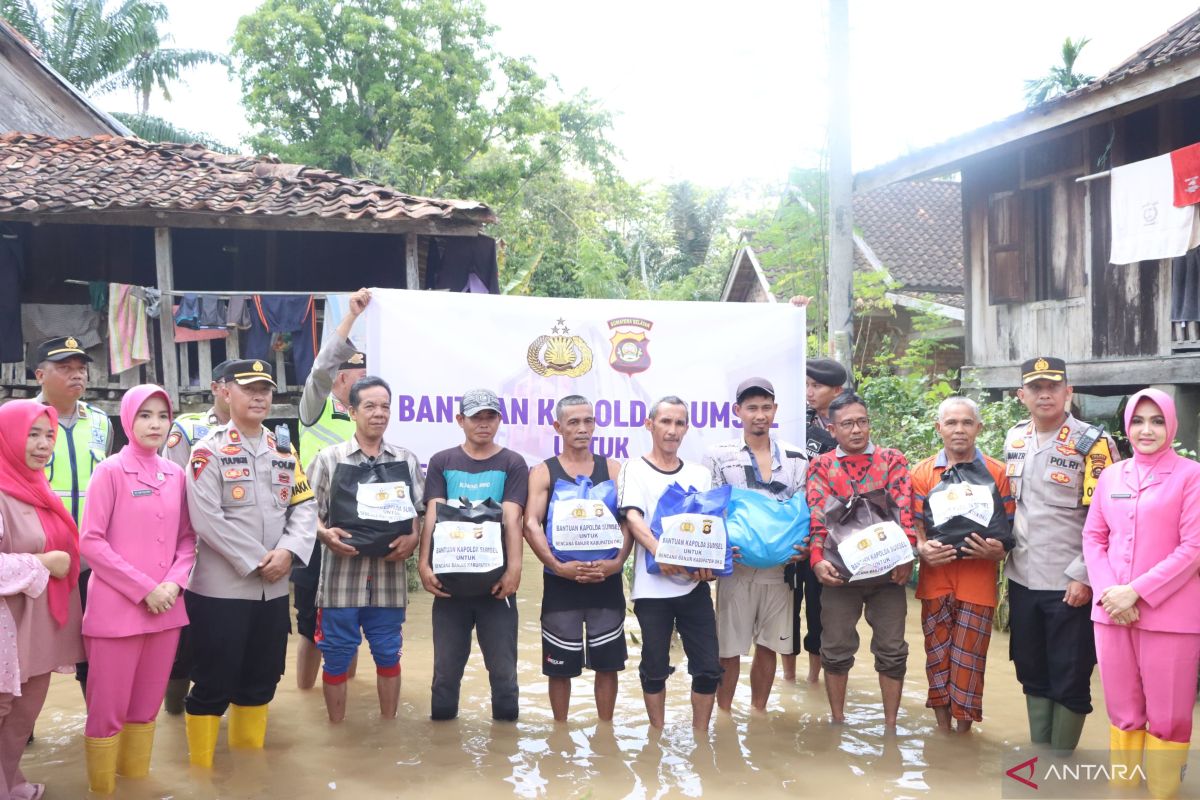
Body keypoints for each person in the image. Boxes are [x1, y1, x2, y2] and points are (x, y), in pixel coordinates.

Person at [182, 359, 316, 767]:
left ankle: (248, 774)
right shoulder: (208, 451)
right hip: (221, 592)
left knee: (261, 681)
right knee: (211, 684)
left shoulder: (283, 449)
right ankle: (202, 778)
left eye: (266, 389)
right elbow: (206, 520)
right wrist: (260, 559)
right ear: (225, 392)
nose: (260, 396)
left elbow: (305, 506)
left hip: (272, 591)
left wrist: (289, 552)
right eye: (250, 388)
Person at [1082, 388, 1200, 798]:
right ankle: (1125, 790)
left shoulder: (1191, 476)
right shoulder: (1112, 475)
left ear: (1172, 426)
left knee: (1168, 716)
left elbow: (1194, 547)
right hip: (1111, 613)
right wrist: (1109, 593)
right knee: (1123, 712)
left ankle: (1164, 792)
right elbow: (1094, 537)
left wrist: (1136, 592)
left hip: (1172, 618)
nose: (1146, 429)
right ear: (1126, 425)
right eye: (1138, 420)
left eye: (1157, 420)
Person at [78, 385, 196, 793]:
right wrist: (146, 589)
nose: (155, 424)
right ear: (128, 419)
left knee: (146, 709)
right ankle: (103, 789)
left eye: (163, 416)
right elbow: (90, 542)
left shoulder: (176, 474)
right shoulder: (109, 470)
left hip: (166, 612)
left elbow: (187, 540)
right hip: (117, 612)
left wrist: (174, 584)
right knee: (107, 710)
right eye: (145, 415)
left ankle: (135, 785)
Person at [1004, 356, 1117, 752]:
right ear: (1022, 396)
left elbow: (1107, 519)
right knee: (1031, 670)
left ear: (1069, 391)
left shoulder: (1094, 443)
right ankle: (1041, 756)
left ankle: (1063, 764)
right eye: (1035, 388)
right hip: (1022, 577)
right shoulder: (1014, 439)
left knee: (1070, 676)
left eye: (1053, 386)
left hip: (1069, 582)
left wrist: (1084, 575)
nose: (1045, 394)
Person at [308, 376, 425, 723]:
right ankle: (336, 730)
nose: (379, 414)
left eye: (385, 406)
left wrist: (414, 538)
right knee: (337, 656)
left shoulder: (405, 459)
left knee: (389, 654)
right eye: (370, 406)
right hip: (340, 581)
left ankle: (388, 728)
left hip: (389, 580)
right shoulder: (328, 459)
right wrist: (325, 534)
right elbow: (304, 514)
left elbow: (419, 512)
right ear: (352, 411)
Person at [808, 391, 915, 727]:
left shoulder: (892, 460)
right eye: (847, 424)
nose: (857, 430)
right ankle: (838, 721)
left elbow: (906, 511)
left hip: (888, 575)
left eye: (862, 422)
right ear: (831, 427)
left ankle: (890, 726)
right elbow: (816, 517)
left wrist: (906, 556)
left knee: (893, 650)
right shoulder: (821, 465)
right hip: (840, 575)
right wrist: (816, 560)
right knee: (836, 650)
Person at [418, 389, 526, 722]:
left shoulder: (512, 463)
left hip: (497, 588)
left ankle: (506, 748)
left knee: (504, 675)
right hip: (450, 587)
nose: (483, 424)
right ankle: (443, 744)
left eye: (490, 416)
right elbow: (433, 516)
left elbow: (512, 518)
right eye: (476, 417)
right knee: (445, 676)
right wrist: (424, 564)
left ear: (499, 420)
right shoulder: (442, 462)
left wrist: (515, 570)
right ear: (460, 420)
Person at [618, 396, 722, 732]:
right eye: (665, 422)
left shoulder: (700, 474)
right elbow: (633, 517)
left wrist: (711, 564)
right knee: (654, 667)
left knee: (707, 667)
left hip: (694, 587)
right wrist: (659, 551)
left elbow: (710, 525)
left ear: (686, 429)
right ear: (650, 425)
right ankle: (658, 735)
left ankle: (700, 736)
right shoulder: (633, 469)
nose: (672, 430)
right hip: (652, 591)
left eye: (679, 423)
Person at [911, 397, 1013, 733]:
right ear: (938, 428)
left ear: (978, 428)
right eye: (951, 423)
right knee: (937, 658)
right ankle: (943, 733)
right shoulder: (923, 473)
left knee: (970, 661)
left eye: (966, 423)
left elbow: (1009, 531)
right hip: (935, 579)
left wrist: (996, 551)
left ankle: (964, 734)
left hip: (978, 582)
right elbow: (914, 528)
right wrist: (922, 549)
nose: (959, 430)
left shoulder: (997, 473)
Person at [704, 378, 807, 713]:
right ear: (738, 412)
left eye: (766, 407)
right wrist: (716, 551)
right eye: (752, 408)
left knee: (769, 645)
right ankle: (724, 715)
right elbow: (713, 508)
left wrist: (805, 548)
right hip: (737, 568)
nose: (759, 414)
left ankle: (758, 713)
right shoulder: (719, 456)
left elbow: (804, 511)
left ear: (775, 410)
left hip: (781, 570)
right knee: (728, 648)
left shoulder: (797, 457)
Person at [523, 395, 628, 722]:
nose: (582, 429)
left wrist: (617, 563)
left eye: (588, 421)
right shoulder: (543, 472)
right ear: (558, 427)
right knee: (559, 667)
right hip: (561, 582)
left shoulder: (613, 469)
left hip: (605, 580)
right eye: (573, 422)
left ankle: (606, 731)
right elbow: (530, 523)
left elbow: (628, 521)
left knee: (607, 665)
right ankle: (560, 731)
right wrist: (557, 566)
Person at [0, 400, 84, 800]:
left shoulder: (37, 487)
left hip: (39, 626)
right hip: (7, 630)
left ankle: (10, 782)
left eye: (48, 435)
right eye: (32, 434)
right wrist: (43, 563)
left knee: (22, 716)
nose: (43, 444)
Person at [294, 289, 371, 691]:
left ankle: (347, 693)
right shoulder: (315, 408)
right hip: (314, 528)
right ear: (341, 377)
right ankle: (306, 698)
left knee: (351, 620)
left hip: (357, 527)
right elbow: (321, 366)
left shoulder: (368, 416)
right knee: (309, 625)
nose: (367, 384)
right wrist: (350, 319)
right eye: (359, 377)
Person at [33, 336, 112, 696]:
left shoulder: (100, 422)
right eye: (64, 368)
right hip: (38, 556)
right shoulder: (21, 421)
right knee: (26, 646)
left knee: (92, 645)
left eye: (81, 369)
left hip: (89, 557)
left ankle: (96, 728)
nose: (76, 376)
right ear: (39, 375)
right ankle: (20, 733)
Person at [159, 358, 233, 715]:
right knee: (183, 642)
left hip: (236, 551)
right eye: (235, 386)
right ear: (218, 388)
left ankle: (230, 705)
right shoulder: (188, 429)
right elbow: (172, 488)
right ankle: (175, 713)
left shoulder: (260, 435)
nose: (246, 395)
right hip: (192, 549)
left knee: (227, 635)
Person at [780, 358, 842, 684]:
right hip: (790, 527)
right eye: (806, 385)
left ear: (837, 390)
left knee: (821, 609)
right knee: (787, 604)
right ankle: (789, 679)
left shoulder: (847, 423)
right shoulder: (794, 422)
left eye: (816, 386)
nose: (808, 392)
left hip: (828, 532)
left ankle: (814, 679)